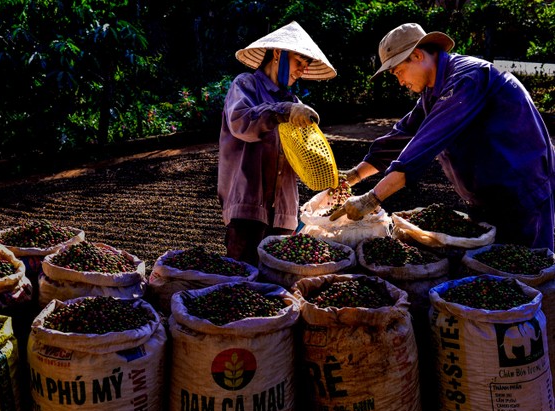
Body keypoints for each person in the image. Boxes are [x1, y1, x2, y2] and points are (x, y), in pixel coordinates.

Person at [331, 23, 555, 251]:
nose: (400, 82)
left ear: (417, 55)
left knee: (528, 268)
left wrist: (371, 199)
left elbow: (424, 144)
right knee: (491, 267)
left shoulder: (467, 79)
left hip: (521, 193)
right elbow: (402, 135)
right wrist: (353, 176)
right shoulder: (433, 91)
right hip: (486, 197)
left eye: (398, 72)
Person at [218, 21, 336, 265]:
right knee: (243, 282)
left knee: (277, 286)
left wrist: (332, 174)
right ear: (278, 53)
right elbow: (241, 123)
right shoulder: (245, 85)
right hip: (248, 206)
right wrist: (284, 110)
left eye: (305, 66)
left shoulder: (292, 101)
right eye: (298, 62)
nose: (301, 70)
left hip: (282, 213)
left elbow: (302, 153)